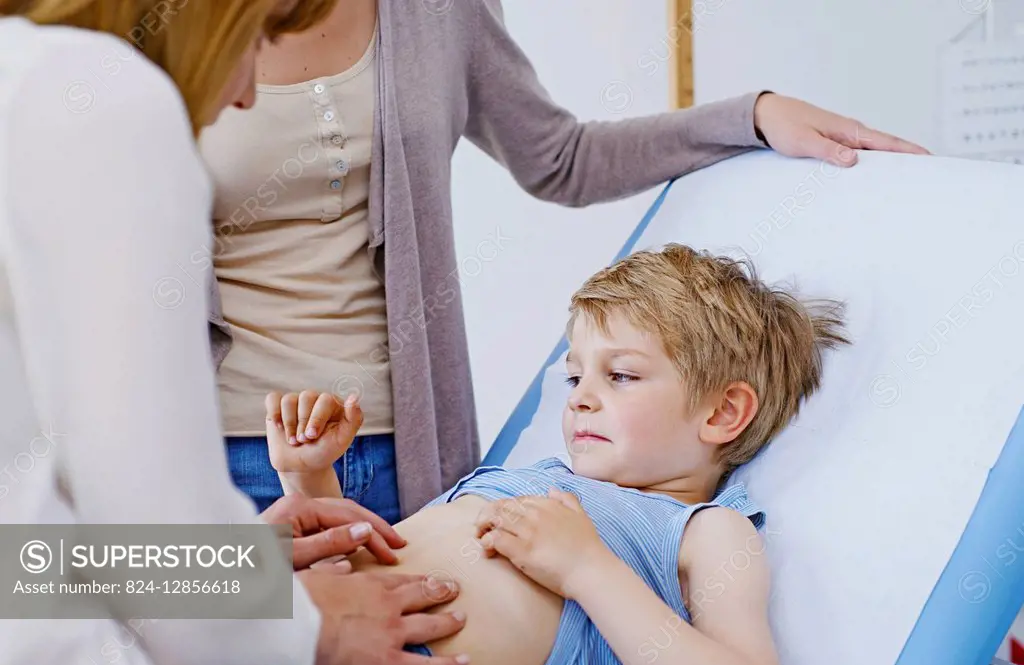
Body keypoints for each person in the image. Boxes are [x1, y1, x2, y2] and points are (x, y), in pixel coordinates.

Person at [198, 0, 927, 522]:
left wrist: (752, 117)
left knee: (417, 654)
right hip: (214, 452)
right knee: (231, 652)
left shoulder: (436, 14)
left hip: (403, 447)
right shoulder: (146, 26)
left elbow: (561, 157)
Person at [0, 1, 468, 665]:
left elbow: (37, 553)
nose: (250, 90)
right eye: (258, 36)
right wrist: (308, 626)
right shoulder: (109, 103)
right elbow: (152, 554)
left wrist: (232, 561)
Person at [266, 243, 851, 665]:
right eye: (575, 375)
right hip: (276, 608)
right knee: (195, 579)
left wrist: (586, 569)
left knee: (190, 588)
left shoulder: (705, 530)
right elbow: (370, 562)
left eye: (620, 375)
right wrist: (309, 481)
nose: (579, 397)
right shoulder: (531, 479)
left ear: (724, 413)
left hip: (371, 657)